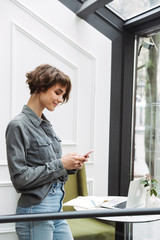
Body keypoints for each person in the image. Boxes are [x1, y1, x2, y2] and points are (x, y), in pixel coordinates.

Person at [5, 64, 88, 240]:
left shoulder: (46, 126)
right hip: (36, 212)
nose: (60, 99)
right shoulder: (18, 125)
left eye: (63, 95)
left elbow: (51, 168)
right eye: (58, 92)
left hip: (56, 209)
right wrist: (61, 164)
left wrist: (71, 164)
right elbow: (20, 179)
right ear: (41, 86)